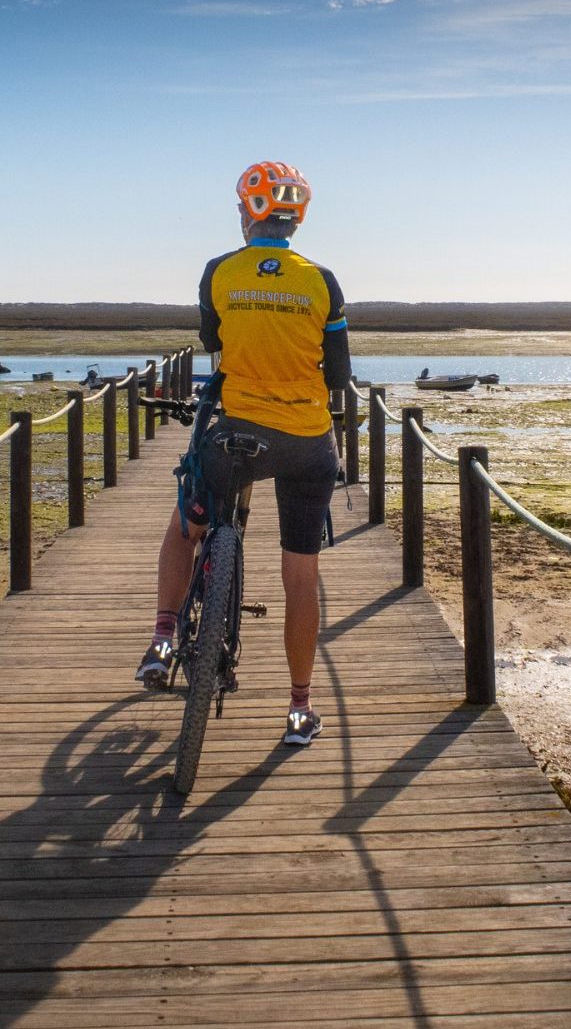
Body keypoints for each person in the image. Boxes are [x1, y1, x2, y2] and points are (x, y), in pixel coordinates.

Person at [136, 160, 350, 747]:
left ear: (251, 212)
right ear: (296, 214)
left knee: (187, 525)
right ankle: (300, 709)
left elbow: (214, 341)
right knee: (300, 575)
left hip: (236, 433)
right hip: (307, 441)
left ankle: (161, 636)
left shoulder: (218, 273)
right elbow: (338, 373)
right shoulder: (322, 282)